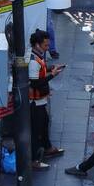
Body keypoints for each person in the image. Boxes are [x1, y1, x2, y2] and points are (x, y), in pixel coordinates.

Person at [28, 29, 65, 168]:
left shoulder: (38, 56)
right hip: (34, 103)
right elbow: (35, 83)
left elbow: (41, 72)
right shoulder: (33, 62)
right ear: (37, 45)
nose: (47, 48)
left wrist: (51, 68)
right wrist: (52, 74)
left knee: (44, 125)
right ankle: (33, 160)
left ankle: (48, 148)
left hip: (40, 100)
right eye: (45, 45)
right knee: (36, 131)